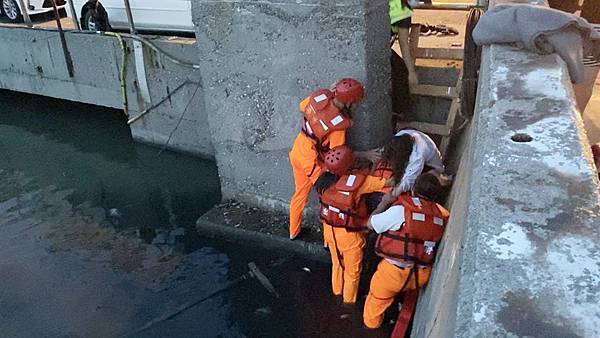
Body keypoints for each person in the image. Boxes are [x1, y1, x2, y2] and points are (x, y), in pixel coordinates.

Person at [362, 172, 450, 330]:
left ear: (414, 190)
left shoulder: (401, 211)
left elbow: (370, 224)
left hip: (393, 275)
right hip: (420, 277)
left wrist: (384, 203)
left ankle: (372, 329)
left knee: (373, 309)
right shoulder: (442, 214)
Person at [288, 79, 365, 240]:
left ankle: (293, 232)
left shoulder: (318, 100)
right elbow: (337, 157)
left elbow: (303, 106)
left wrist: (330, 95)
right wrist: (367, 155)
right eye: (356, 102)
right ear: (349, 102)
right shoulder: (339, 128)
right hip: (312, 162)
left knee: (300, 194)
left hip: (297, 151)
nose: (357, 105)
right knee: (328, 197)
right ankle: (327, 240)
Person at [314, 145, 388, 304]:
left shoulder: (323, 180)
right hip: (349, 236)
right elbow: (387, 183)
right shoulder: (360, 183)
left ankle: (336, 293)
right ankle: (348, 304)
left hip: (329, 231)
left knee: (337, 264)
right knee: (353, 273)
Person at [378, 129, 445, 209]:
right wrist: (380, 184)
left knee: (414, 187)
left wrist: (391, 196)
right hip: (415, 162)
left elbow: (408, 181)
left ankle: (442, 182)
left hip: (430, 169)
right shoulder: (401, 137)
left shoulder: (418, 156)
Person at [390, 0, 419, 90]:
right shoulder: (402, 10)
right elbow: (404, 45)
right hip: (378, 50)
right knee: (401, 73)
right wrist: (411, 72)